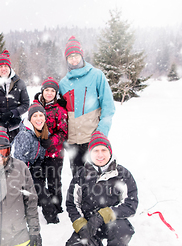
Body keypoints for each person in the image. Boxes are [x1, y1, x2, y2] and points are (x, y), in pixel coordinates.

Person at [61, 132, 138, 246]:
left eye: (104, 150)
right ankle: (95, 245)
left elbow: (131, 205)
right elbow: (72, 204)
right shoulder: (81, 175)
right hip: (89, 224)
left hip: (113, 222)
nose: (100, 155)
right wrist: (81, 226)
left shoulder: (122, 174)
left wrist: (105, 214)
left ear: (110, 152)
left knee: (122, 230)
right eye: (96, 150)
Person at [59, 36, 116, 176]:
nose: (74, 59)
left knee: (96, 179)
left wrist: (101, 133)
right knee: (78, 180)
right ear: (66, 59)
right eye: (70, 56)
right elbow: (59, 112)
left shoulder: (96, 75)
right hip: (73, 141)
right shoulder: (63, 83)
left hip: (92, 138)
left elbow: (108, 107)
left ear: (82, 55)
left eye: (76, 55)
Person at [13, 103, 59, 224]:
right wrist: (29, 172)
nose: (39, 119)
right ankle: (52, 220)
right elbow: (18, 159)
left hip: (36, 166)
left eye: (41, 115)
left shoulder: (43, 131)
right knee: (42, 193)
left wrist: (39, 163)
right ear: (29, 119)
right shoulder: (24, 135)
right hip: (24, 170)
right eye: (35, 116)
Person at [34, 77, 68, 217]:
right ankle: (43, 204)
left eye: (52, 90)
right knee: (39, 180)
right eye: (46, 90)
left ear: (56, 93)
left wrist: (51, 141)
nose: (49, 93)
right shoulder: (36, 106)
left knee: (54, 181)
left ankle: (56, 206)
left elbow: (64, 132)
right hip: (38, 152)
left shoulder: (60, 110)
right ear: (42, 91)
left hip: (55, 152)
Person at [0, 50, 30, 142]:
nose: (3, 69)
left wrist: (13, 113)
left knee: (17, 154)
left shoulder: (19, 83)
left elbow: (25, 104)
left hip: (16, 126)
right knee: (0, 154)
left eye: (6, 66)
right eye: (1, 66)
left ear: (10, 67)